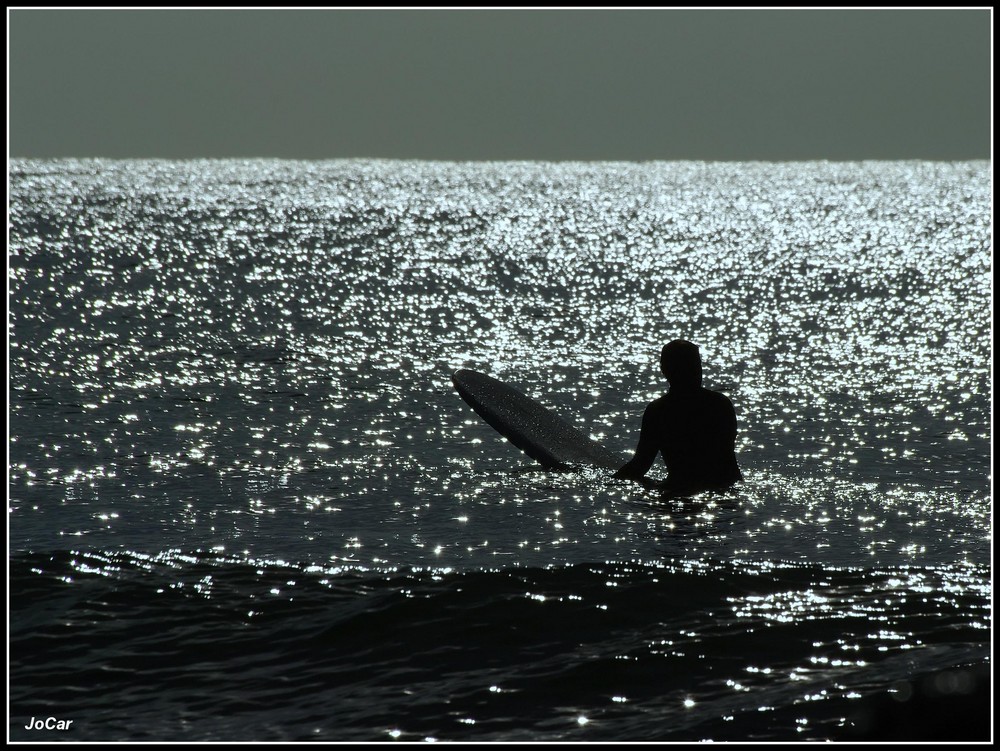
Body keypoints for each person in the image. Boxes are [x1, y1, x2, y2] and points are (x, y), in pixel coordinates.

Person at [615, 339, 742, 494]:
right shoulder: (720, 404)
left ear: (664, 370)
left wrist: (611, 482)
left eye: (696, 364)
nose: (697, 370)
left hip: (677, 489)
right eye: (691, 365)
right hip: (725, 489)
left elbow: (641, 464)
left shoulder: (658, 410)